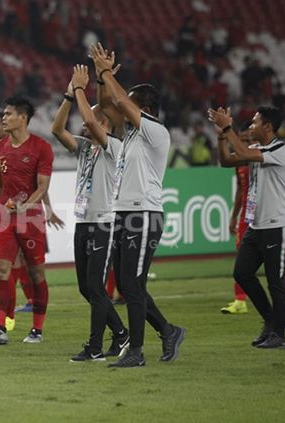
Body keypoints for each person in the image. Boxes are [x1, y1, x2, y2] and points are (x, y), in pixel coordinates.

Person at [91, 43, 185, 367]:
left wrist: (105, 71)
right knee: (132, 284)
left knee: (130, 284)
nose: (123, 106)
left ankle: (136, 352)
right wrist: (101, 77)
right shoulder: (131, 135)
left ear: (142, 106)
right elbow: (107, 103)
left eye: (130, 101)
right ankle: (168, 331)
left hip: (144, 213)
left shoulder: (156, 132)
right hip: (125, 212)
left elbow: (118, 102)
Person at [51, 64, 130, 362]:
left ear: (105, 124)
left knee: (96, 286)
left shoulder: (115, 148)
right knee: (86, 288)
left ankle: (95, 347)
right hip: (84, 222)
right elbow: (57, 130)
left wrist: (83, 90)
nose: (84, 125)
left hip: (103, 224)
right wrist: (69, 96)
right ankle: (121, 334)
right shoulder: (86, 148)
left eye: (91, 121)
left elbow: (91, 121)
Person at [207, 106, 285, 349]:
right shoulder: (256, 149)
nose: (251, 126)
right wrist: (221, 136)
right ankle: (271, 321)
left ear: (268, 126)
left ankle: (279, 334)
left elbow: (243, 150)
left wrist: (228, 127)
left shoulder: (280, 149)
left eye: (255, 122)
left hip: (278, 224)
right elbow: (225, 161)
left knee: (275, 281)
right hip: (256, 225)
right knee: (242, 273)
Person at [0, 96, 53, 345]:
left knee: (36, 273)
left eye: (9, 114)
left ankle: (37, 329)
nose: (4, 119)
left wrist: (23, 206)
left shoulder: (41, 147)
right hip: (4, 219)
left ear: (23, 117)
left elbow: (42, 188)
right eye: (4, 114)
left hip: (31, 220)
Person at [217, 124, 252, 315]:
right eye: (242, 140)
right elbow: (240, 189)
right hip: (246, 216)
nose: (244, 143)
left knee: (274, 261)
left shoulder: (260, 158)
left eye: (247, 140)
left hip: (266, 215)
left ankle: (282, 296)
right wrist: (233, 216)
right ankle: (240, 300)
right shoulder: (239, 162)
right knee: (241, 258)